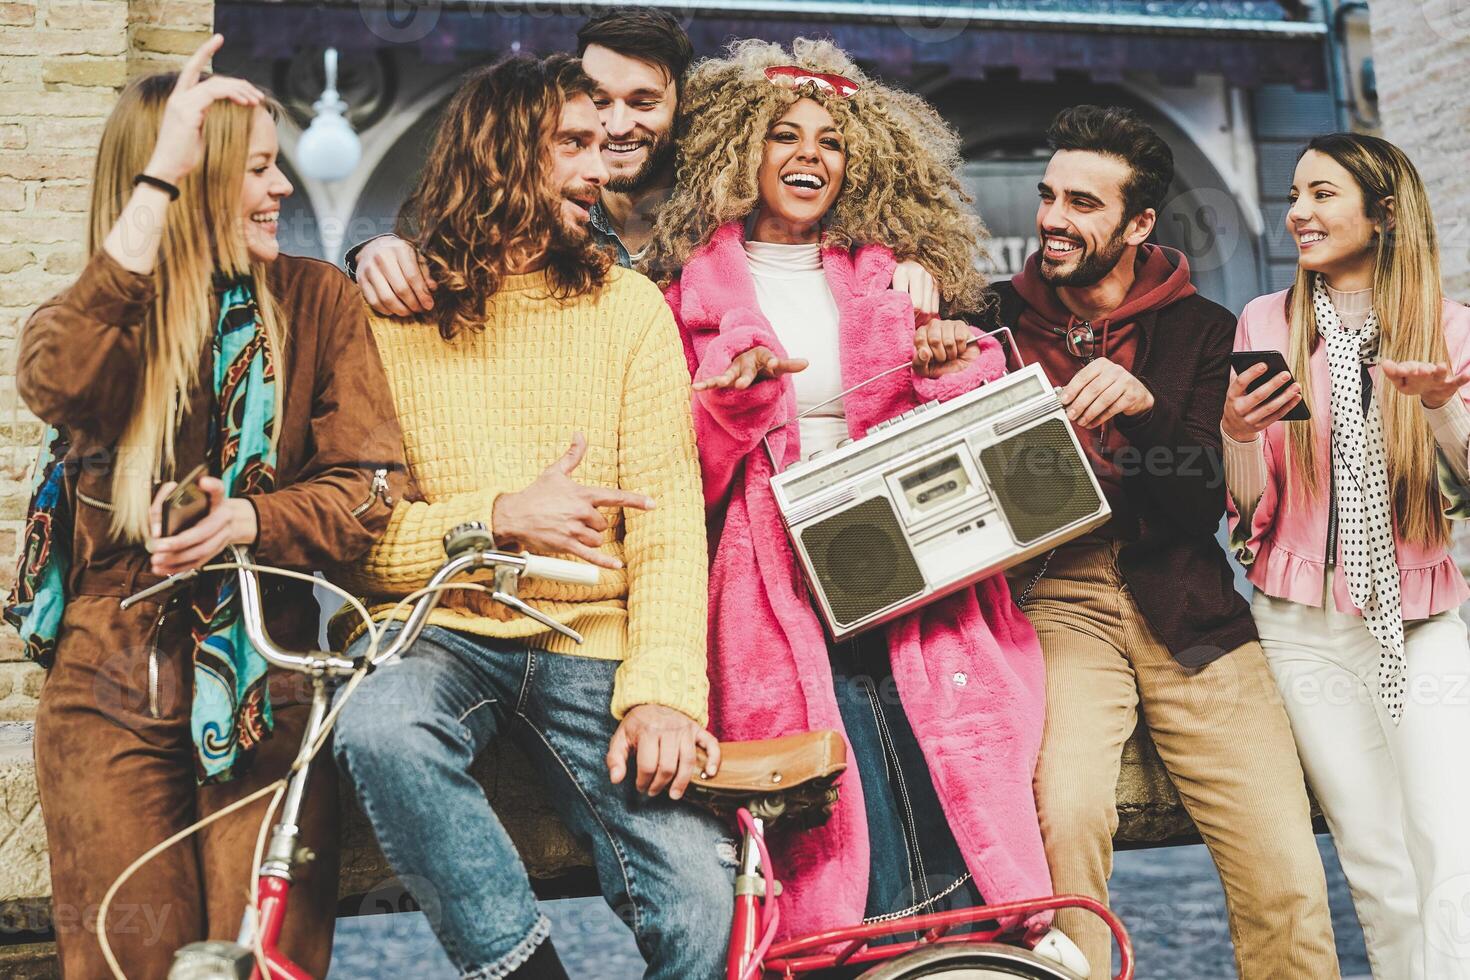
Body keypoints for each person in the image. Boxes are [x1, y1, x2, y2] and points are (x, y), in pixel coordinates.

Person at [643, 38, 1086, 973]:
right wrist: (734, 398)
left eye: (831, 140)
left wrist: (945, 360)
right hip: (776, 570)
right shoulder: (688, 295)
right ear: (739, 151)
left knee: (943, 739)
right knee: (837, 755)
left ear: (861, 161)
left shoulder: (890, 274)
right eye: (784, 136)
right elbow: (684, 472)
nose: (810, 155)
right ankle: (866, 951)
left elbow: (964, 415)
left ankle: (977, 950)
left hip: (904, 548)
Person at [6, 35, 408, 977]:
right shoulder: (106, 324)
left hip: (268, 677)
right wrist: (162, 178)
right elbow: (55, 382)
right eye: (257, 172)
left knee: (262, 964)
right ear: (190, 183)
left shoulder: (318, 301)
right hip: (107, 684)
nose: (280, 195)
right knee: (124, 966)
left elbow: (373, 487)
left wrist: (253, 522)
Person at [328, 54, 733, 980]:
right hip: (441, 627)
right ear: (502, 153)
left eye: (604, 146)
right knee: (380, 724)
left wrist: (666, 692)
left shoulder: (628, 306)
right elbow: (358, 538)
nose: (601, 167)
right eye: (574, 145)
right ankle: (519, 969)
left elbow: (669, 522)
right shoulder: (390, 314)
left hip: (589, 635)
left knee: (703, 902)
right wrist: (496, 518)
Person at [986, 106, 1340, 978]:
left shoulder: (1204, 330)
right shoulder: (991, 318)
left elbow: (1200, 510)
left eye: (1082, 203)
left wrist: (1146, 411)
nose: (1053, 219)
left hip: (1190, 603)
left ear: (1139, 224)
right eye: (1047, 196)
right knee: (1063, 820)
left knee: (1284, 868)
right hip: (1057, 599)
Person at [1223, 132, 1470, 979]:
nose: (1298, 212)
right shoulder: (1267, 323)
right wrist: (1236, 433)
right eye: (1295, 194)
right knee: (1376, 863)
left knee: (1453, 852)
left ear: (1385, 211)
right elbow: (1250, 507)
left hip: (1422, 620)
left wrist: (1441, 409)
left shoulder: (1447, 328)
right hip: (1300, 626)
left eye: (1323, 194)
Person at [346, 9, 943, 320]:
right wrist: (375, 251)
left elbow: (843, 220)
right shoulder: (545, 208)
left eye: (644, 102)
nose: (618, 125)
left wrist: (914, 264)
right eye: (599, 101)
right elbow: (466, 246)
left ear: (681, 106)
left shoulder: (730, 204)